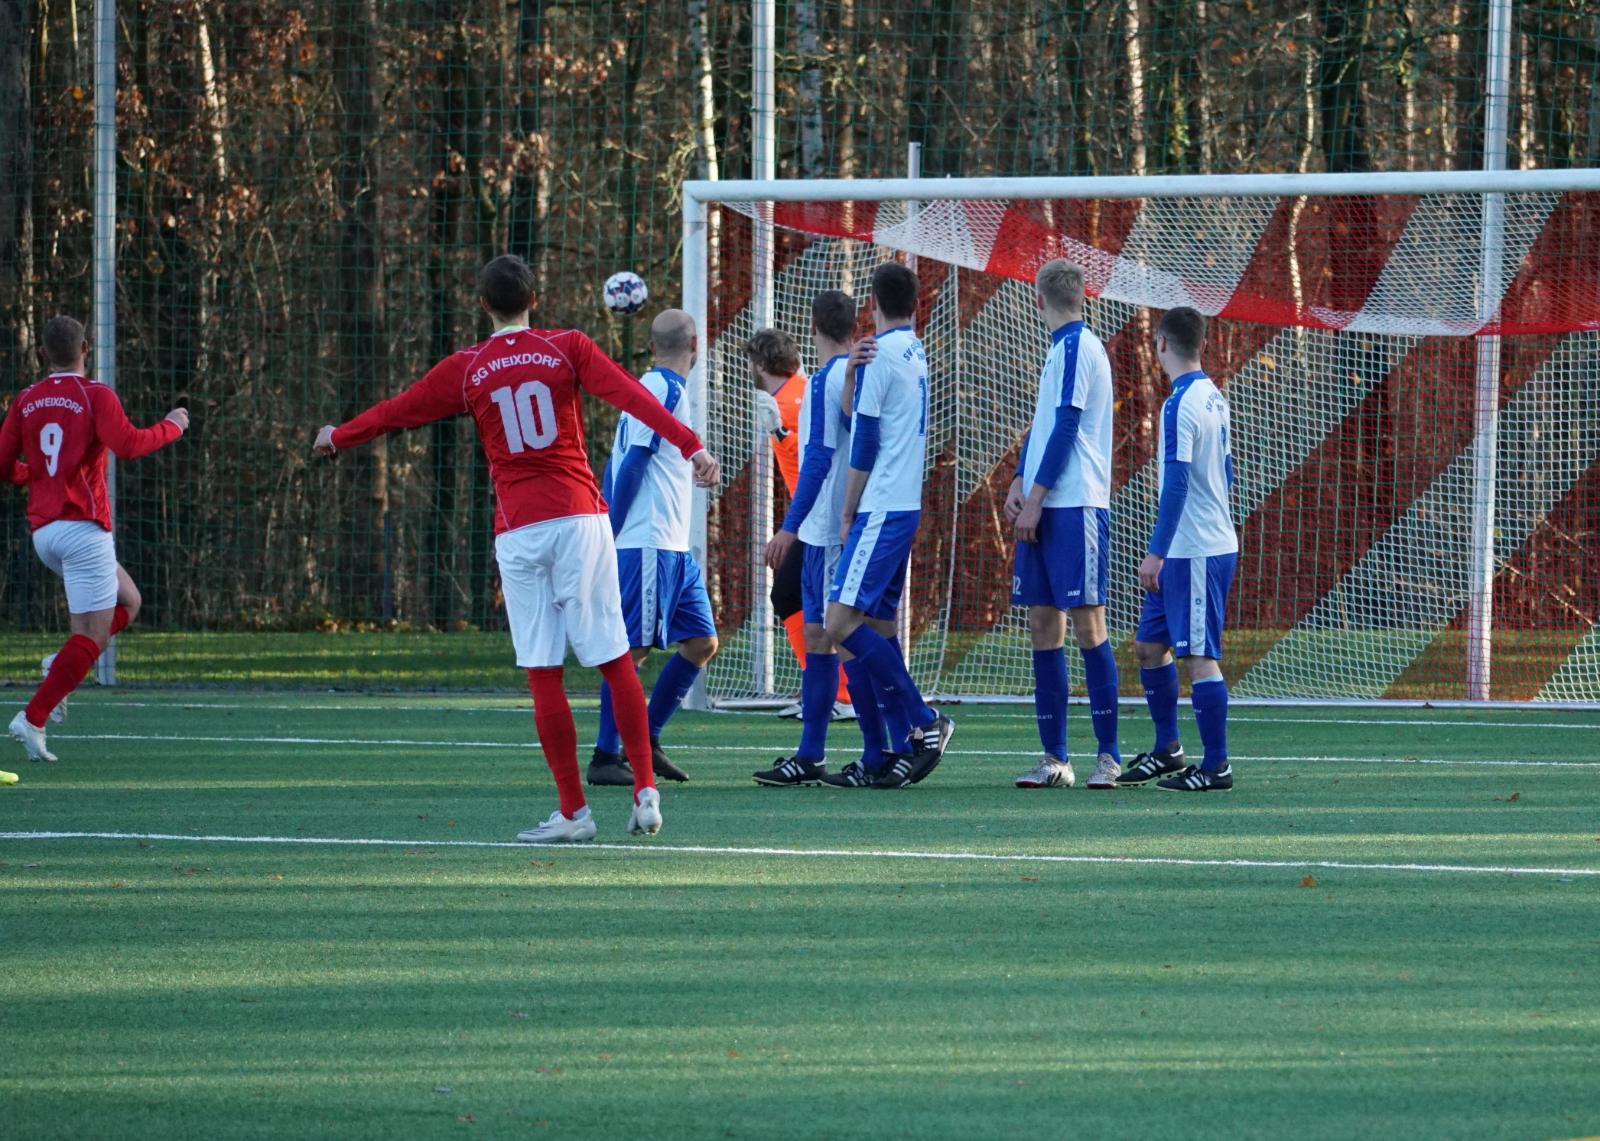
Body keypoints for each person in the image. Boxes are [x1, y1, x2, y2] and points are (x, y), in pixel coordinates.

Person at [313, 254, 721, 838]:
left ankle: (575, 814)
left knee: (544, 673)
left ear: (484, 306)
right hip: (583, 519)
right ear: (537, 297)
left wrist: (340, 435)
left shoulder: (469, 366)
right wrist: (692, 446)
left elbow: (397, 412)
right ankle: (644, 791)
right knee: (613, 657)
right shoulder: (568, 347)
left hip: (522, 529)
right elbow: (635, 398)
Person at [1, 315, 189, 766]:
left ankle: (60, 664)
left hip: (45, 534)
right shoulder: (95, 394)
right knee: (92, 634)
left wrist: (34, 476)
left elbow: (3, 462)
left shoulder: (25, 399)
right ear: (86, 347)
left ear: (43, 353)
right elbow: (128, 444)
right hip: (84, 530)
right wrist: (173, 425)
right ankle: (33, 715)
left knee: (130, 601)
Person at [822, 261, 953, 789]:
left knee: (837, 624)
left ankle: (925, 722)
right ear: (916, 305)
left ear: (871, 304)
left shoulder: (881, 355)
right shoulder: (913, 350)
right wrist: (853, 372)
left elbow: (865, 441)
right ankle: (889, 752)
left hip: (881, 506)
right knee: (873, 630)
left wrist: (848, 508)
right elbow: (864, 414)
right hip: (905, 504)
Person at [753, 290, 889, 787]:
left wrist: (788, 528)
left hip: (829, 529)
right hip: (819, 530)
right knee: (817, 637)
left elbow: (816, 461)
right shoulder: (836, 378)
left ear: (812, 326)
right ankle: (810, 755)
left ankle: (882, 747)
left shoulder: (824, 382)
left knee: (845, 637)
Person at [586, 309, 716, 787]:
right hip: (645, 543)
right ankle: (605, 755)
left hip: (672, 545)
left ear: (650, 343)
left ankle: (649, 738)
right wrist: (611, 530)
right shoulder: (662, 388)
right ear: (696, 344)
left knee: (702, 642)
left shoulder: (655, 388)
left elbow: (621, 461)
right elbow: (633, 463)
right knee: (631, 650)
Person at [1006, 260, 1123, 790]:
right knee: (1042, 625)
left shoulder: (1079, 346)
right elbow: (1046, 424)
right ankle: (1055, 760)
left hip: (1075, 505)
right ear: (1082, 295)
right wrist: (1017, 479)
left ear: (1039, 299)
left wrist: (1035, 498)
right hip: (1046, 502)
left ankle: (1109, 758)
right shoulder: (1059, 350)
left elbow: (1069, 426)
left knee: (1087, 623)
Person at [1116, 305, 1238, 792]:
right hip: (1200, 544)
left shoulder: (1181, 403)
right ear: (1201, 345)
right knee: (1150, 647)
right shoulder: (1213, 396)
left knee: (1199, 658)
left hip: (1193, 550)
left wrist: (1156, 551)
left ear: (1161, 343)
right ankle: (1168, 748)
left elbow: (1178, 485)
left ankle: (1217, 766)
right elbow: (1226, 473)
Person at [747, 328, 853, 720]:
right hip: (813, 514)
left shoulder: (791, 401)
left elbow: (814, 459)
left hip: (818, 517)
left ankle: (839, 694)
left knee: (816, 604)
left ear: (759, 364)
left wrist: (780, 432)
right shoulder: (792, 393)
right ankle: (826, 691)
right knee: (794, 598)